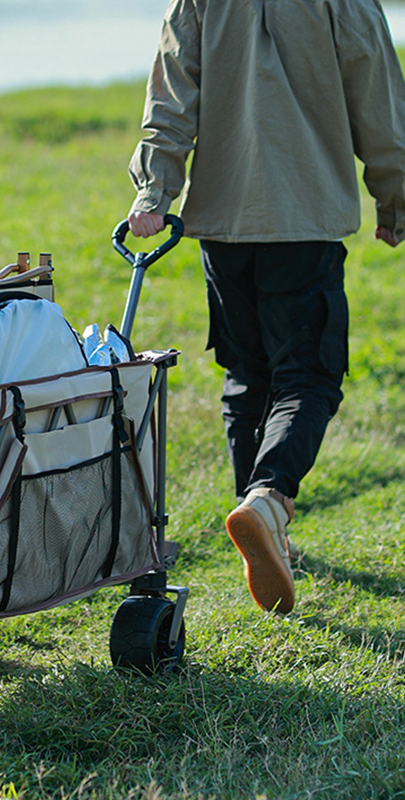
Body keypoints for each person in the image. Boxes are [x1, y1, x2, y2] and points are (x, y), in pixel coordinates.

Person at [127, 0, 405, 614]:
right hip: (303, 217)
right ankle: (269, 500)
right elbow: (375, 87)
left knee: (246, 376)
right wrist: (395, 193)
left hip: (223, 222)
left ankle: (257, 515)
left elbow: (172, 91)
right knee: (308, 376)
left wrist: (155, 190)